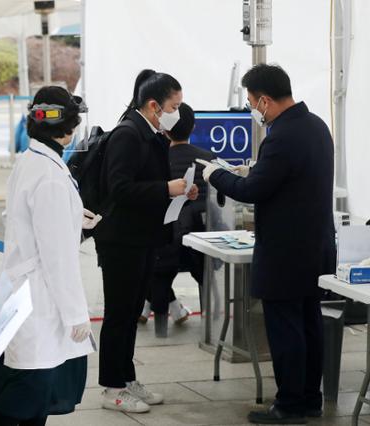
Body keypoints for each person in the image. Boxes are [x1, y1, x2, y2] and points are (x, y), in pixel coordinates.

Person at [199, 64, 336, 424]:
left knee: (286, 328)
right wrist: (254, 171)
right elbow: (286, 179)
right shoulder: (317, 126)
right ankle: (310, 399)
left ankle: (289, 404)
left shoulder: (282, 136)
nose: (251, 109)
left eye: (250, 102)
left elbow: (253, 191)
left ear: (264, 99)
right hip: (316, 247)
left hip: (286, 253)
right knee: (309, 325)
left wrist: (218, 175)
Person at [0, 86, 95, 426]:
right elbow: (57, 258)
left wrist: (74, 216)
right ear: (68, 127)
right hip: (40, 302)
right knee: (24, 403)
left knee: (23, 399)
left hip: (22, 291)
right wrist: (76, 315)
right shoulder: (49, 176)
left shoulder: (31, 161)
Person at [93, 70, 198, 413]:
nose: (177, 113)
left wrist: (179, 190)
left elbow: (146, 183)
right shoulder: (128, 133)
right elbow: (119, 188)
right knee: (119, 314)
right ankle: (112, 387)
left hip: (142, 237)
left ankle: (127, 378)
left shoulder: (152, 133)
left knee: (131, 312)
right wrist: (166, 188)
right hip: (121, 240)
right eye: (174, 105)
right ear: (154, 105)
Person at [142, 102, 215, 337]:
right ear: (193, 127)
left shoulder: (157, 160)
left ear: (165, 127)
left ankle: (160, 330)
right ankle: (208, 326)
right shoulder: (208, 158)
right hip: (202, 242)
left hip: (166, 242)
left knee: (158, 274)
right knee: (206, 276)